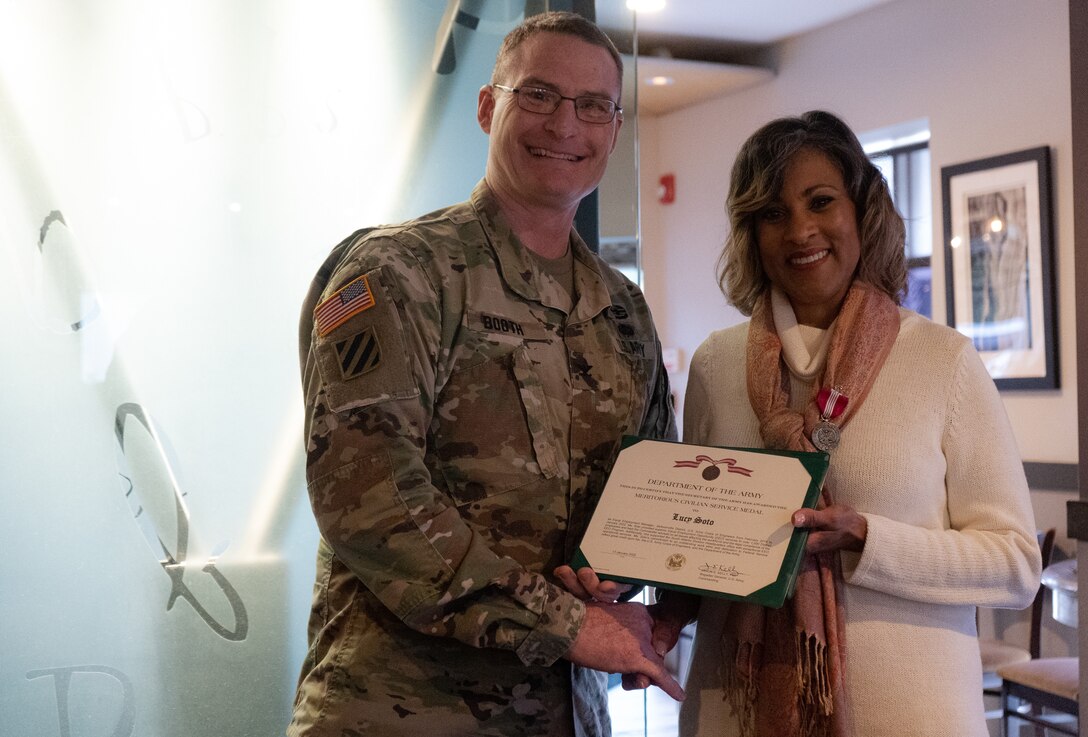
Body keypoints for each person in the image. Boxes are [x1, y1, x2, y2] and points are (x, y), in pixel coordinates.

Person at [287, 11, 680, 737]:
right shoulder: (398, 273)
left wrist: (617, 577)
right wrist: (569, 622)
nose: (566, 124)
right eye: (538, 94)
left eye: (593, 105)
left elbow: (647, 491)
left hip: (566, 716)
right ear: (486, 106)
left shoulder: (622, 311)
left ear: (614, 130)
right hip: (397, 714)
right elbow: (371, 502)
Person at [653, 110, 1041, 737]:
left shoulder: (941, 360)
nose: (800, 231)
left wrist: (870, 540)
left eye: (820, 201)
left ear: (862, 210)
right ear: (750, 233)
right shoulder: (717, 364)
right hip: (735, 713)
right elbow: (705, 543)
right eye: (772, 213)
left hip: (909, 716)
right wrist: (662, 610)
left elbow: (1017, 564)